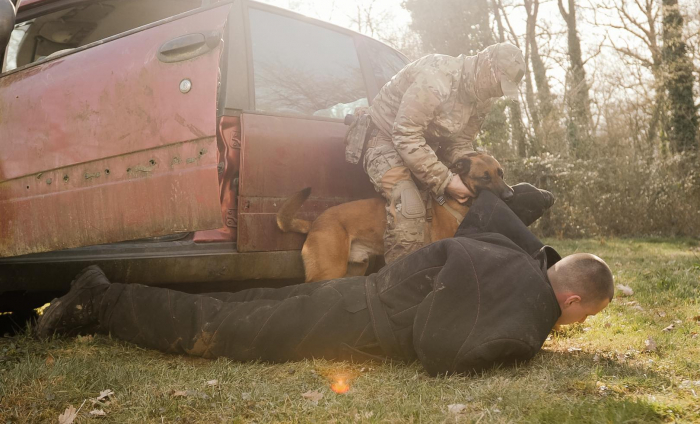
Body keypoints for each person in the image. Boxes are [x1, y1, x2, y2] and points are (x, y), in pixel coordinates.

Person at [36, 184, 613, 376]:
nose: (573, 324)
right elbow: (441, 350)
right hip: (358, 319)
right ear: (570, 298)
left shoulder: (514, 249)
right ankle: (100, 301)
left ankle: (105, 296)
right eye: (583, 315)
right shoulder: (530, 311)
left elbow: (484, 215)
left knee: (255, 300)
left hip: (359, 291)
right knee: (226, 329)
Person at [362, 42, 526, 264]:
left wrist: (467, 172)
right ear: (489, 67)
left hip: (423, 149)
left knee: (458, 201)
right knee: (409, 205)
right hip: (384, 140)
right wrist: (446, 180)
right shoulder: (436, 78)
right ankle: (399, 287)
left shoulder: (482, 98)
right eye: (500, 84)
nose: (498, 92)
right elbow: (405, 134)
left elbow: (460, 143)